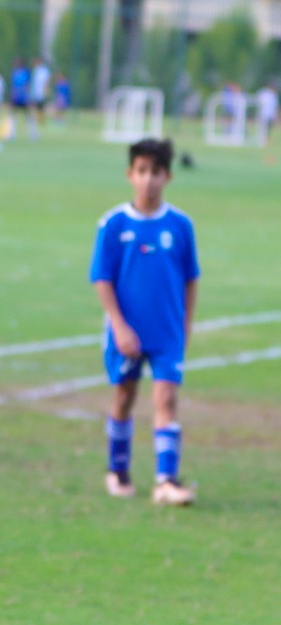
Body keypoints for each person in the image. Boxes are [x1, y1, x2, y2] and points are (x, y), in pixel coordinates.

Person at [90, 137, 198, 507]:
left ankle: (166, 480)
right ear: (130, 174)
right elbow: (102, 278)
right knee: (124, 396)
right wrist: (119, 326)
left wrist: (186, 325)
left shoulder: (180, 225)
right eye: (142, 171)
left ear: (168, 176)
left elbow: (191, 279)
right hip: (127, 332)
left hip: (167, 331)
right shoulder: (113, 224)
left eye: (156, 172)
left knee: (167, 397)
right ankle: (117, 470)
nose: (149, 179)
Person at [30, 56, 51, 137]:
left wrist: (46, 93)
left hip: (41, 95)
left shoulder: (44, 71)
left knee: (40, 112)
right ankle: (35, 129)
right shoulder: (35, 70)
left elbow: (47, 83)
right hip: (35, 95)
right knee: (34, 112)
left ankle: (39, 126)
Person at [8, 58, 30, 137]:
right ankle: (11, 134)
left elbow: (27, 85)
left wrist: (27, 97)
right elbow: (13, 86)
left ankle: (32, 134)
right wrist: (12, 97)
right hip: (16, 97)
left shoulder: (26, 72)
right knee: (13, 115)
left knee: (28, 115)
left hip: (23, 97)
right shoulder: (14, 73)